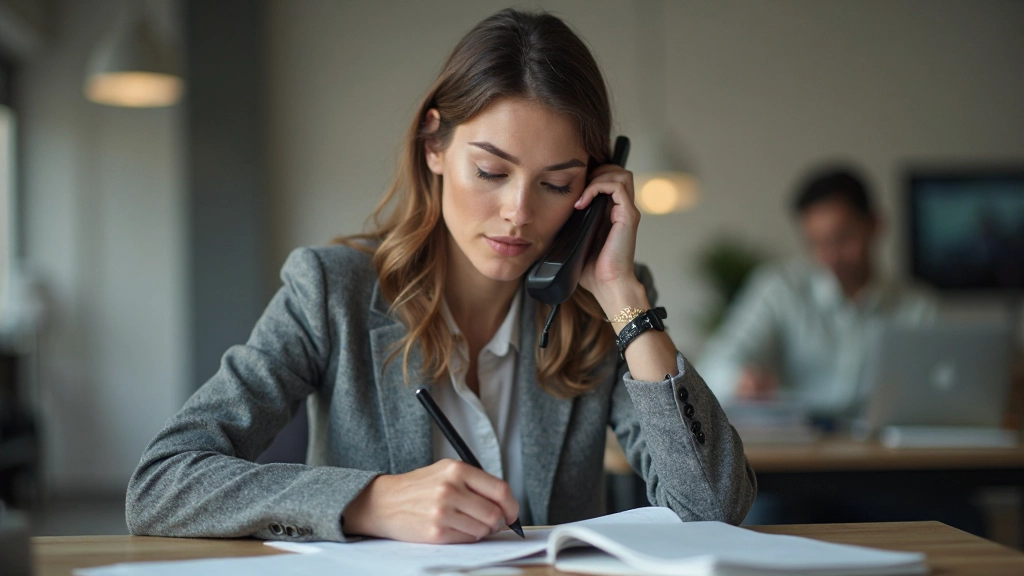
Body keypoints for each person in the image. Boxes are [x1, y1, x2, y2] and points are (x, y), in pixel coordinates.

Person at [126, 9, 756, 544]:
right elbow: (161, 483)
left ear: (590, 191)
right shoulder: (330, 292)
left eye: (556, 184)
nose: (518, 211)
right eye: (491, 172)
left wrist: (624, 300)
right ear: (434, 145)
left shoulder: (604, 309)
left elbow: (714, 508)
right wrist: (370, 501)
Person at [699, 167, 936, 420]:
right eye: (817, 243)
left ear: (875, 225)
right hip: (798, 441)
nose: (831, 256)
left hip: (882, 443)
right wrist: (740, 380)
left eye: (843, 238)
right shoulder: (780, 289)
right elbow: (715, 363)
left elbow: (937, 389)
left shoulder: (917, 308)